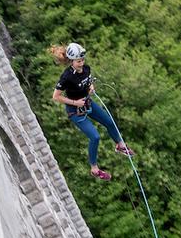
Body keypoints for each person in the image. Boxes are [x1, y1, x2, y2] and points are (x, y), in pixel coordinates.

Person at [52, 42, 134, 181]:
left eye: (83, 60)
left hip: (87, 103)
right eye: (78, 61)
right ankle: (94, 169)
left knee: (110, 121)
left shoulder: (86, 69)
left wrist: (91, 87)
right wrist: (74, 103)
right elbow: (56, 97)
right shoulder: (66, 77)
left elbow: (88, 82)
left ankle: (120, 145)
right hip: (75, 111)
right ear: (72, 61)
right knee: (95, 137)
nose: (82, 63)